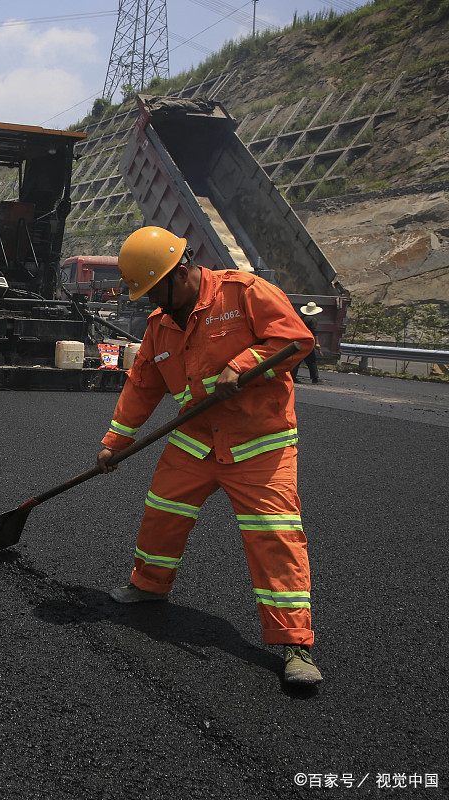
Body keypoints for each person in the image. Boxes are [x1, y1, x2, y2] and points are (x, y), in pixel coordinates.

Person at [97, 226, 322, 686]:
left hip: (258, 443)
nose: (150, 304)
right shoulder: (161, 327)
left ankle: (294, 644)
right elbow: (142, 387)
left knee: (274, 537)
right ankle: (148, 585)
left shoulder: (245, 293)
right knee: (162, 512)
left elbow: (295, 340)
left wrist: (239, 367)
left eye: (152, 291)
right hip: (195, 440)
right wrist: (114, 444)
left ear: (179, 273)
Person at [292, 302, 323, 384]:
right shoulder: (312, 320)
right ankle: (315, 378)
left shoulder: (300, 318)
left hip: (299, 340)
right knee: (311, 360)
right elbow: (314, 332)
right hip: (308, 341)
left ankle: (292, 376)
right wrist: (317, 343)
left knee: (297, 360)